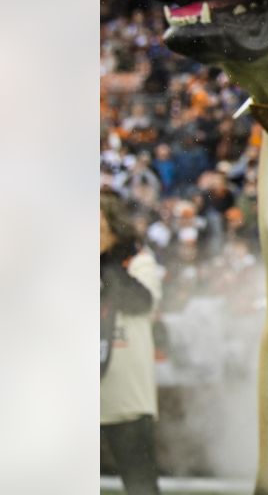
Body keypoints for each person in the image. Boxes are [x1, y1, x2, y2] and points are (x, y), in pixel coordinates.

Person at [101, 191, 164, 495]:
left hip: (126, 395)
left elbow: (141, 301)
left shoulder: (138, 260)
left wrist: (105, 260)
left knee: (141, 486)